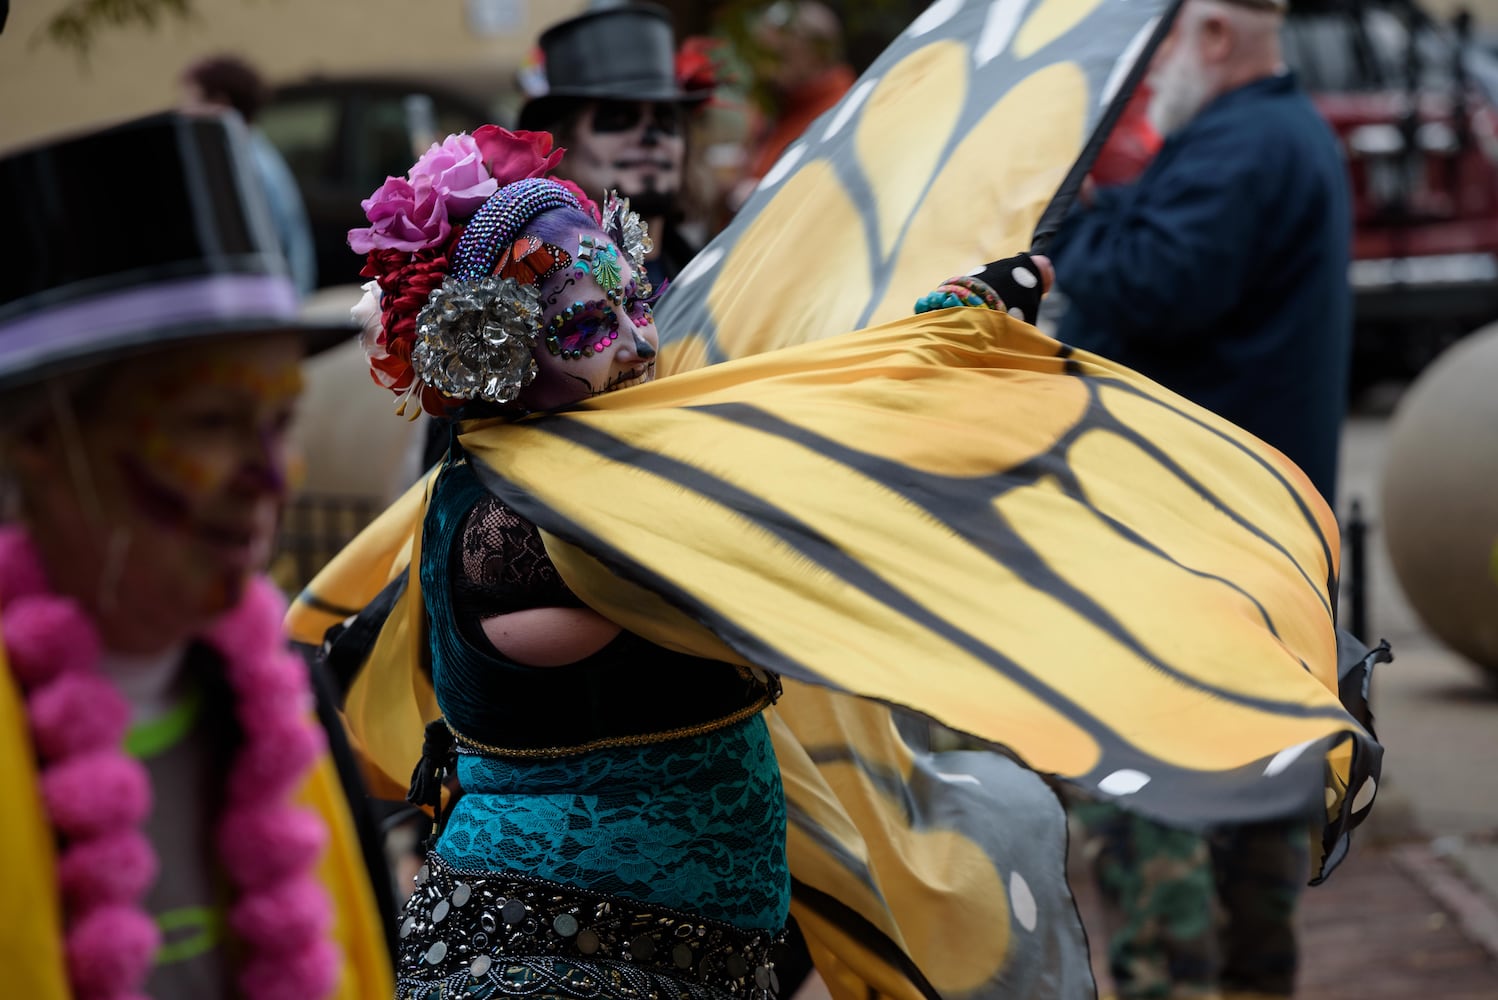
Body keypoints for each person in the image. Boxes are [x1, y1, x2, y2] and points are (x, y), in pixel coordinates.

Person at [0, 111, 392, 998]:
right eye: (213, 423)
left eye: (280, 421)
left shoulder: (282, 704)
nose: (270, 475)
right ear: (37, 437)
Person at [1045, 2, 1353, 997]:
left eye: (1168, 41)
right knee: (1255, 845)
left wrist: (1060, 246)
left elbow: (1148, 284)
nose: (1156, 68)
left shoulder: (1243, 145)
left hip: (1187, 566)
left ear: (1213, 36)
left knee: (1159, 847)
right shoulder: (1271, 134)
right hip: (1251, 559)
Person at [516, 3, 711, 290]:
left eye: (666, 121)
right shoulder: (531, 290)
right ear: (561, 147)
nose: (650, 137)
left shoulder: (716, 283)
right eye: (619, 119)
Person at [182, 53, 319, 297]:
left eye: (194, 100)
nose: (186, 111)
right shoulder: (253, 154)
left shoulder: (248, 167)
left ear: (219, 104)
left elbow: (267, 252)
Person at [738, 2, 854, 196]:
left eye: (780, 55)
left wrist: (758, 194)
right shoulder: (781, 101)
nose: (767, 68)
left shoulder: (841, 111)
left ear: (816, 54)